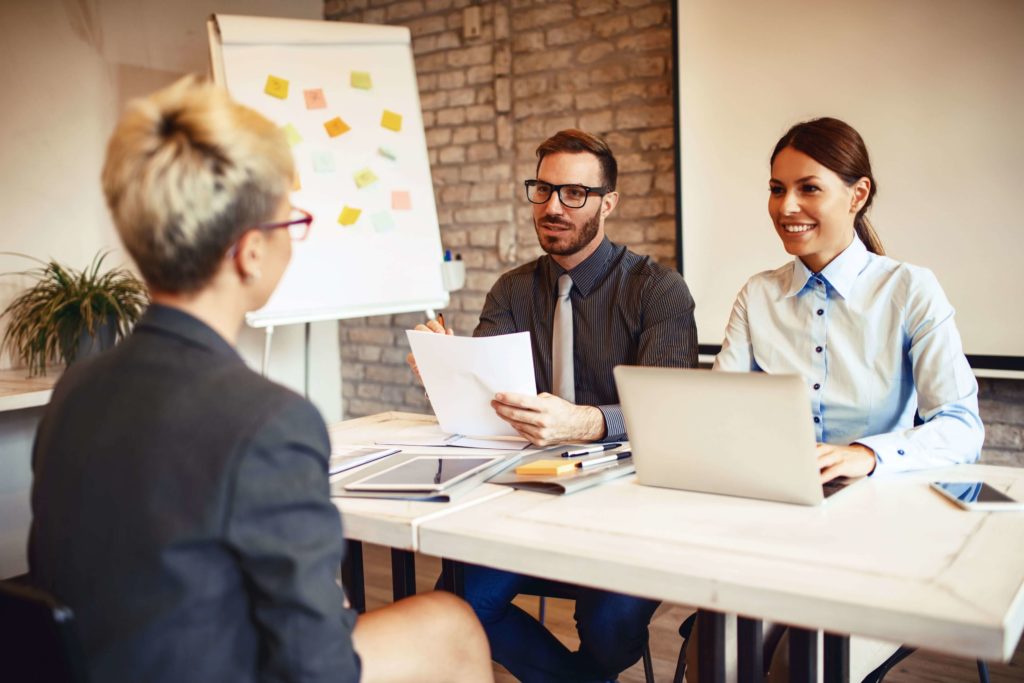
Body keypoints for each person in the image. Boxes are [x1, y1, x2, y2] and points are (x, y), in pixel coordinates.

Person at [28, 75, 493, 683]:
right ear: (250, 252)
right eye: (289, 222)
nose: (292, 239)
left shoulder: (77, 389)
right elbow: (314, 666)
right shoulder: (268, 421)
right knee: (450, 625)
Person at [409, 129, 698, 681]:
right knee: (459, 606)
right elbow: (486, 401)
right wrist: (445, 371)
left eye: (573, 194)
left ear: (607, 203)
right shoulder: (513, 290)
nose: (552, 207)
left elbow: (671, 417)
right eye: (541, 191)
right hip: (528, 490)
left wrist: (584, 423)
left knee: (612, 635)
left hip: (625, 499)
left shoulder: (657, 289)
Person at [709, 116, 984, 679]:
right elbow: (720, 416)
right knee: (716, 660)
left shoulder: (910, 289)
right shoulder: (758, 295)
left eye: (809, 188)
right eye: (777, 188)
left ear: (857, 195)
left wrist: (867, 454)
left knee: (801, 667)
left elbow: (961, 426)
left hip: (883, 532)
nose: (787, 207)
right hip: (783, 526)